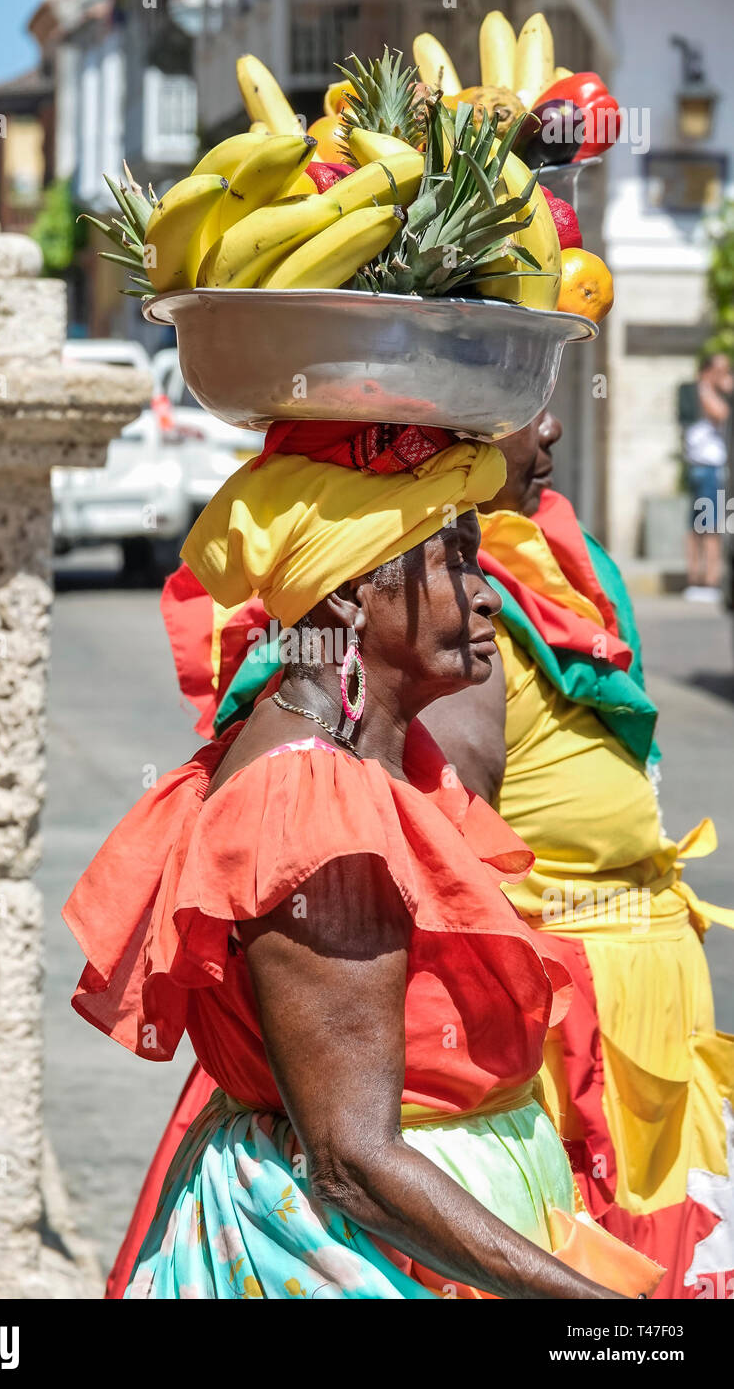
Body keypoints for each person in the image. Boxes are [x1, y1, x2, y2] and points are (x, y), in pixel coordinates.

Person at [121, 410, 733, 1302]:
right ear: (343, 598)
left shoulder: (373, 766)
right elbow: (353, 1160)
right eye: (454, 561)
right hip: (349, 1261)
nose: (486, 596)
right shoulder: (310, 808)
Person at [684, 351, 733, 602]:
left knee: (711, 525)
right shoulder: (696, 391)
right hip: (699, 467)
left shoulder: (717, 393)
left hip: (711, 468)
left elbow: (721, 412)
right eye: (721, 370)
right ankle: (697, 579)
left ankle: (711, 580)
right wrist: (705, 384)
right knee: (696, 526)